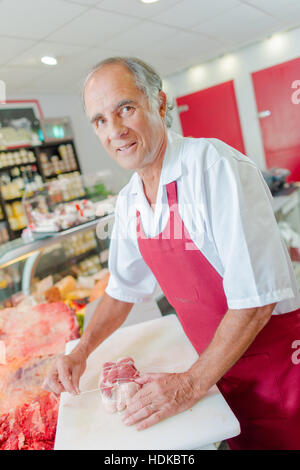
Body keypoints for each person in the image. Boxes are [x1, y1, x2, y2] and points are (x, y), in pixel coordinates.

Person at [43, 57, 300, 450]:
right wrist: (81, 353)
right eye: (100, 120)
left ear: (160, 105)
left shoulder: (214, 168)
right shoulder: (130, 201)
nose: (116, 131)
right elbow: (122, 288)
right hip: (215, 368)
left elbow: (255, 303)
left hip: (274, 370)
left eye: (125, 108)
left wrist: (189, 384)